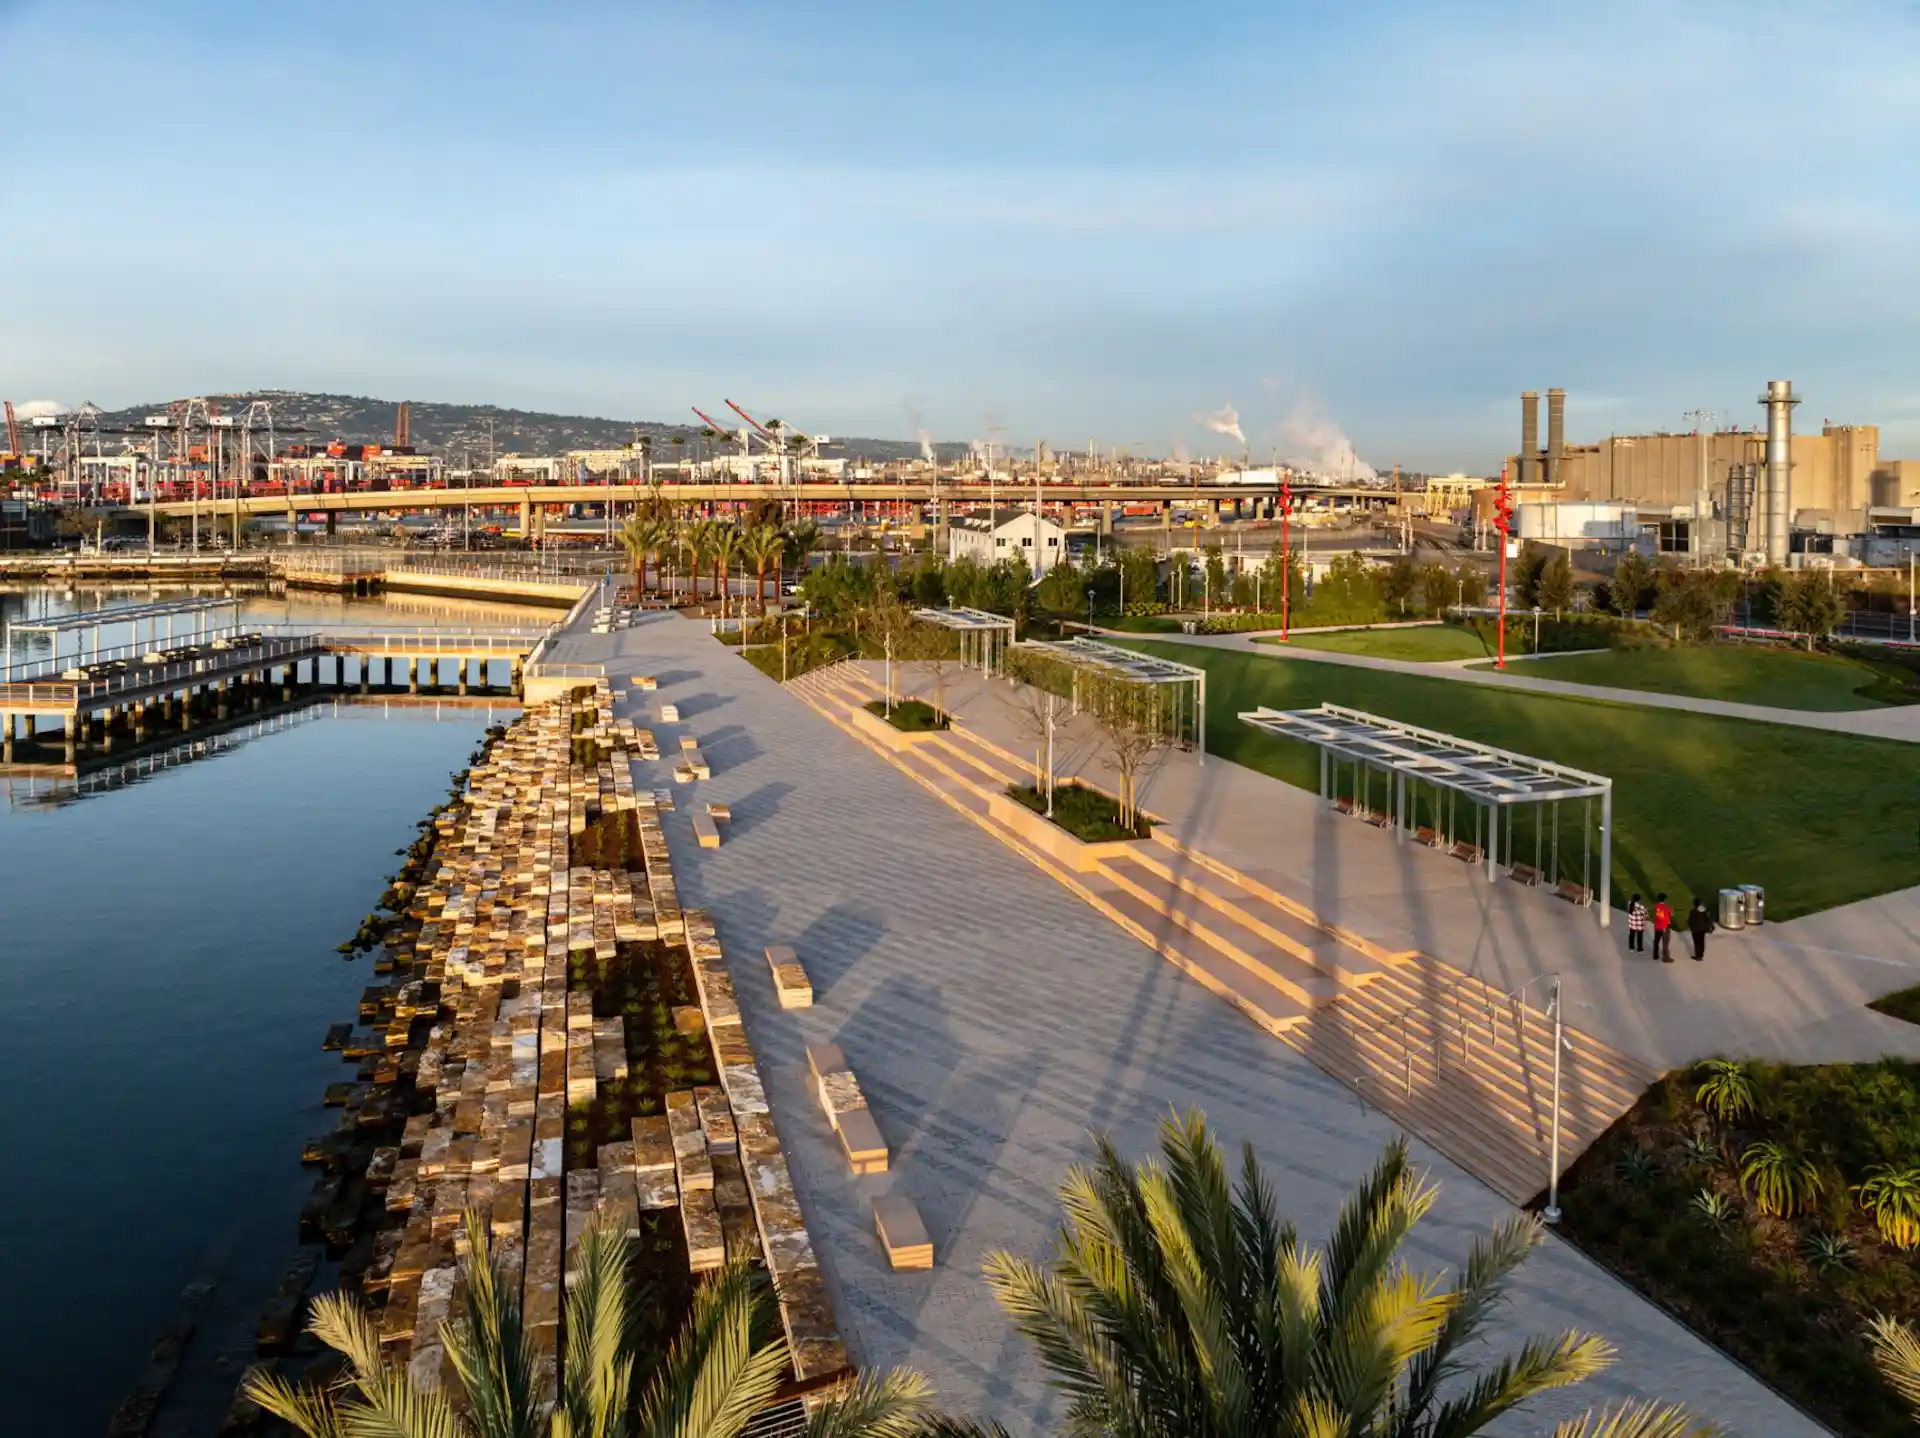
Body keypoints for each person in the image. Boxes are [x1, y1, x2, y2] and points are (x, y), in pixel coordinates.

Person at [1652, 893, 1674, 962]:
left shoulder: (1656, 906)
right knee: (1665, 942)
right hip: (1665, 926)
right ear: (1665, 899)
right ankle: (1666, 957)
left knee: (1656, 941)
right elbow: (1672, 915)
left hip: (1657, 926)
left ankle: (1655, 955)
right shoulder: (1667, 907)